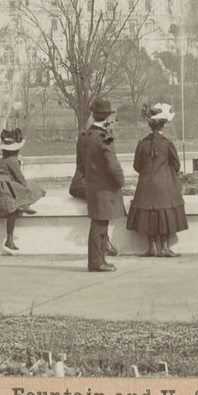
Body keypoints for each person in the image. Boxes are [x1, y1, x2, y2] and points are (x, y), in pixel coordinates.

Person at [128, 102, 187, 258]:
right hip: (163, 185)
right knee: (164, 214)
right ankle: (164, 247)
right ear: (163, 125)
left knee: (149, 215)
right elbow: (176, 165)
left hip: (146, 185)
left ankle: (152, 247)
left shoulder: (142, 143)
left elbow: (136, 166)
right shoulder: (167, 143)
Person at [71, 99, 125, 271]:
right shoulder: (105, 137)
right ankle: (96, 262)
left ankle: (99, 260)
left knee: (99, 223)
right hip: (105, 189)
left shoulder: (83, 136)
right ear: (107, 117)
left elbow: (80, 165)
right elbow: (113, 165)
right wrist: (120, 181)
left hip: (91, 186)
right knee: (100, 225)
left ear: (94, 115)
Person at [0, 128, 45, 252]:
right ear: (16, 150)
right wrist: (25, 185)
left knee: (12, 208)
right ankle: (23, 205)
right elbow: (20, 177)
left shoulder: (2, 160)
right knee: (34, 189)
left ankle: (10, 237)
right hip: (7, 186)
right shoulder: (12, 160)